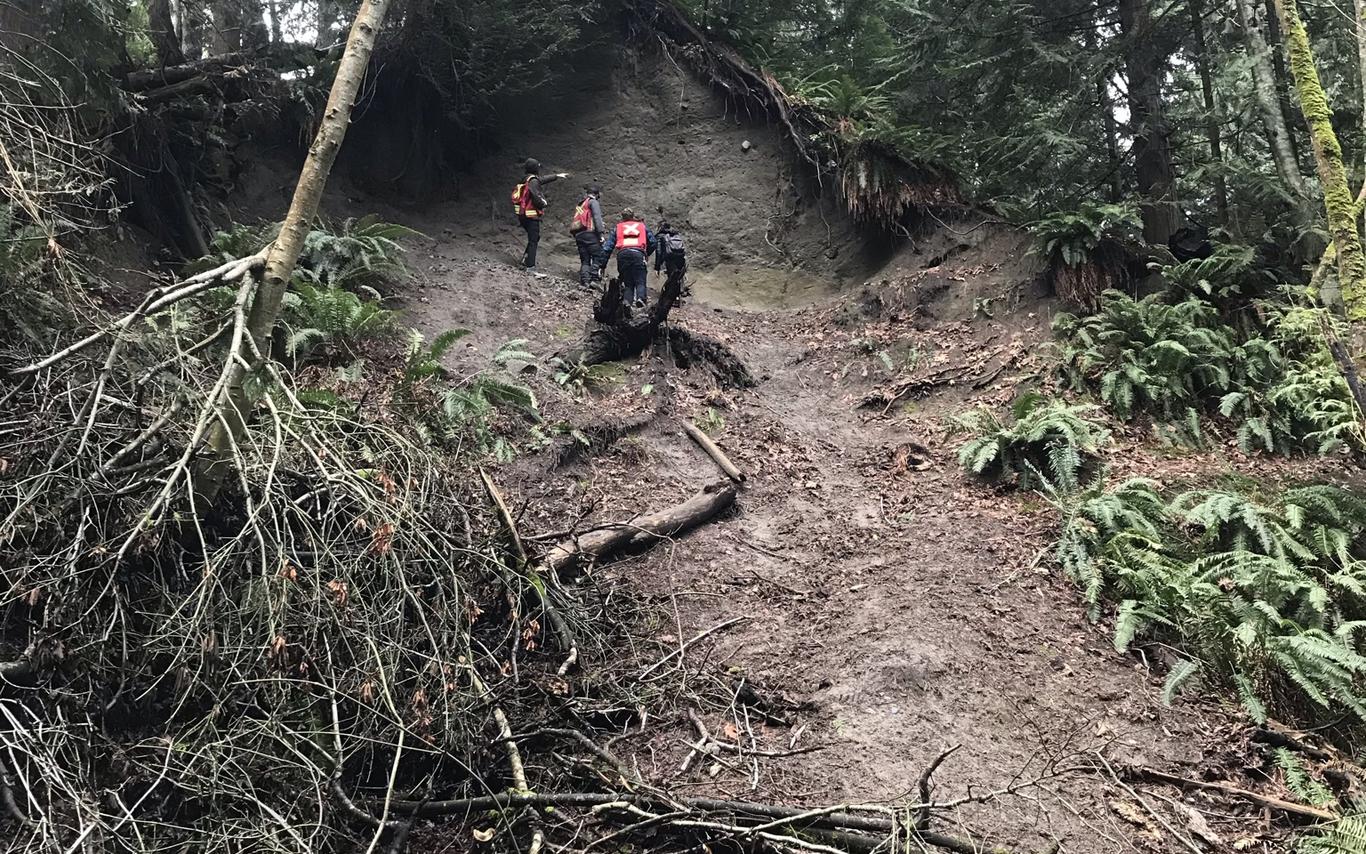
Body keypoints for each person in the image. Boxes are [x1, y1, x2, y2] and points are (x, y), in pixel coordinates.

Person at [511, 158, 568, 272]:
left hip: (522, 215)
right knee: (533, 240)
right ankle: (530, 266)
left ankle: (525, 260)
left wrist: (556, 176)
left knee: (534, 238)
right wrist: (544, 203)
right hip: (531, 215)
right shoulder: (533, 181)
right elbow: (536, 196)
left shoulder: (525, 179)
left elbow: (540, 180)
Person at [600, 207, 655, 308]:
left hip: (623, 254)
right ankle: (640, 299)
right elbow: (653, 242)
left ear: (622, 217)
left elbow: (607, 247)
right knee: (640, 280)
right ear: (633, 216)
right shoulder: (642, 226)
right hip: (638, 253)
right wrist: (646, 253)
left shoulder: (618, 227)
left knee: (628, 282)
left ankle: (627, 303)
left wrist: (602, 264)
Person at [571, 183, 606, 288]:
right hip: (590, 233)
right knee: (599, 255)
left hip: (579, 234)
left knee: (585, 259)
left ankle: (585, 281)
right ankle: (594, 278)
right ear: (596, 194)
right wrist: (600, 234)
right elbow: (597, 218)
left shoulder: (581, 204)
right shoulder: (593, 202)